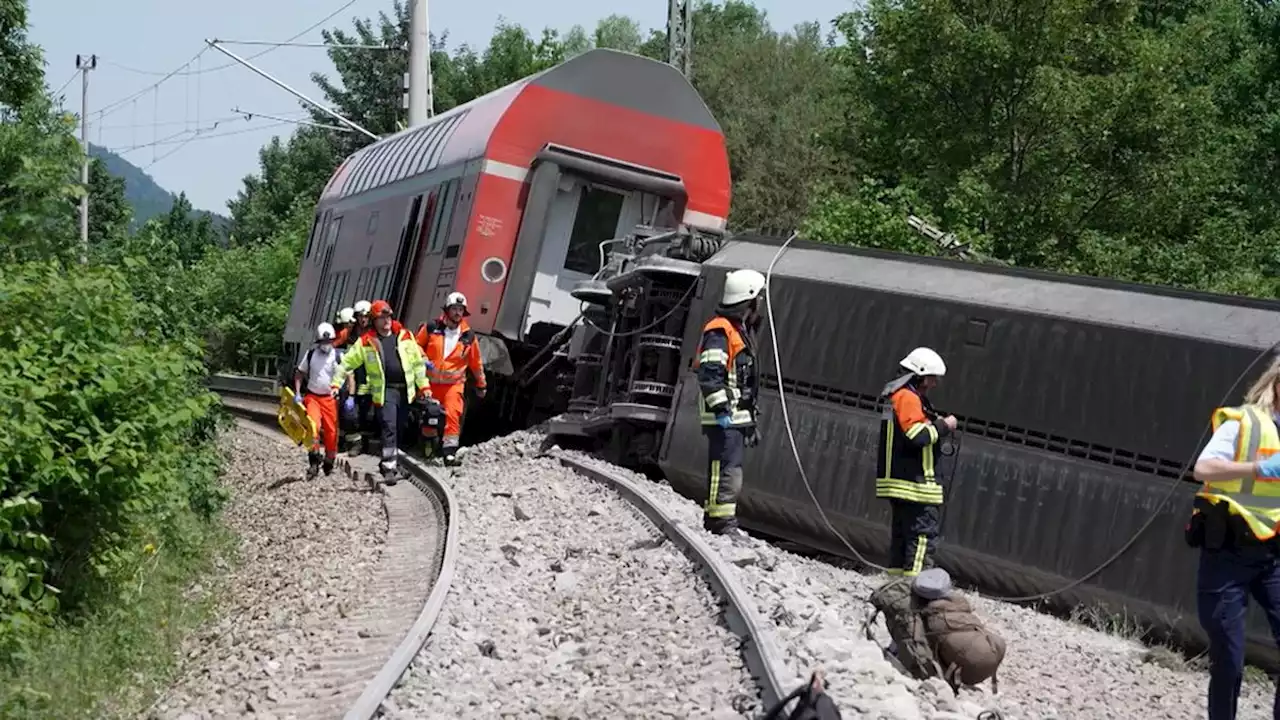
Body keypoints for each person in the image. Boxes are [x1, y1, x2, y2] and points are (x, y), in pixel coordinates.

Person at [1189, 356, 1280, 720]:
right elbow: (1203, 469)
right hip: (1227, 552)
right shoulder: (1244, 422)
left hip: (1272, 554)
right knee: (1229, 655)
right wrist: (1259, 468)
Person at [692, 268, 765, 537]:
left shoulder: (738, 331)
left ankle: (719, 520)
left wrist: (750, 420)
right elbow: (710, 375)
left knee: (728, 469)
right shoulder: (720, 331)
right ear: (749, 300)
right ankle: (720, 523)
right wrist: (721, 409)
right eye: (758, 299)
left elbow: (743, 381)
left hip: (734, 416)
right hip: (724, 415)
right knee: (724, 470)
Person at [330, 300, 432, 485]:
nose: (386, 320)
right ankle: (389, 466)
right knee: (389, 426)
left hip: (406, 392)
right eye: (381, 318)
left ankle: (391, 460)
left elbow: (417, 364)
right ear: (374, 321)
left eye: (388, 316)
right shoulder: (366, 342)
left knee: (399, 427)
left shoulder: (405, 336)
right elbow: (346, 363)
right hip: (385, 392)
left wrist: (424, 386)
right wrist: (336, 384)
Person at [876, 347, 957, 577]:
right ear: (920, 375)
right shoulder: (907, 397)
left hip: (901, 483)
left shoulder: (899, 396)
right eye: (932, 378)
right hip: (915, 485)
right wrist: (944, 426)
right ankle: (913, 592)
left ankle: (894, 588)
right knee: (922, 538)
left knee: (901, 542)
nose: (934, 384)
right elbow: (917, 436)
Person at [415, 291, 487, 466]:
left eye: (461, 310)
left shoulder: (468, 337)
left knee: (453, 414)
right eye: (454, 309)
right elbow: (415, 345)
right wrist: (423, 358)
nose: (458, 313)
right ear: (447, 310)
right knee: (429, 416)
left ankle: (449, 453)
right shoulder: (432, 327)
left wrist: (481, 384)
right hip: (430, 383)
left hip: (453, 385)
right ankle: (428, 445)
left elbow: (475, 363)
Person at [293, 323, 352, 479]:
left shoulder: (339, 356)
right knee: (314, 427)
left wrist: (350, 396)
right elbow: (299, 373)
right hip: (312, 397)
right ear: (318, 342)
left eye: (328, 342)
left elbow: (349, 375)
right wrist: (297, 393)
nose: (326, 345)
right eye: (323, 343)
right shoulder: (311, 354)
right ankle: (313, 460)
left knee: (332, 432)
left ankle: (329, 460)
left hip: (330, 398)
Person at [338, 300, 374, 452]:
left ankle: (362, 443)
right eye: (360, 316)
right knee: (350, 411)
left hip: (370, 376)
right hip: (352, 376)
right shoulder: (349, 333)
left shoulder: (374, 334)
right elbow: (335, 345)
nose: (363, 319)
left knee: (366, 412)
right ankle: (353, 443)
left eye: (366, 316)